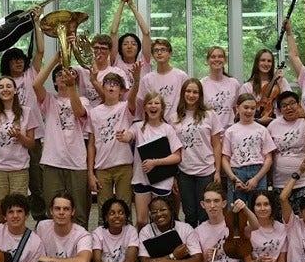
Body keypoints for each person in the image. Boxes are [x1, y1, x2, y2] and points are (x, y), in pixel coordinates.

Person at [0, 17, 47, 221]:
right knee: (8, 192)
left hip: (33, 137)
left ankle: (40, 219)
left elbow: (40, 51)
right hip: (5, 151)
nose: (19, 62)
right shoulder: (0, 83)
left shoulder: (31, 75)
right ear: (7, 63)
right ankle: (5, 223)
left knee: (37, 184)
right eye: (14, 60)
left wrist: (36, 23)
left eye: (21, 59)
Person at [33, 55, 90, 227]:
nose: (64, 77)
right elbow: (36, 85)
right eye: (59, 75)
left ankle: (81, 241)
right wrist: (54, 60)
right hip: (53, 161)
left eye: (68, 74)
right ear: (55, 82)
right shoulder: (49, 100)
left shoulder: (84, 100)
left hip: (76, 162)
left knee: (79, 210)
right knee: (53, 208)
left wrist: (72, 87)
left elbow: (79, 112)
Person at [119, 92, 183, 227]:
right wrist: (123, 137)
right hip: (141, 178)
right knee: (141, 221)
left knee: (160, 220)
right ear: (144, 107)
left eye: (156, 103)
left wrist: (155, 162)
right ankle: (142, 241)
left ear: (162, 108)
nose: (153, 106)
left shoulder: (168, 129)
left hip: (162, 180)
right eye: (149, 103)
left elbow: (177, 156)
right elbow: (128, 136)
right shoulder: (137, 127)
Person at [0, 75, 38, 221]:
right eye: (1, 87)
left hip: (19, 168)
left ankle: (18, 236)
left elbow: (31, 144)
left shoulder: (26, 111)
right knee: (1, 214)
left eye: (9, 86)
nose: (5, 89)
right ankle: (1, 236)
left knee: (18, 213)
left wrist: (19, 136)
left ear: (15, 90)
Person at [173, 78, 223, 226]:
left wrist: (218, 171)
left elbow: (217, 145)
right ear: (183, 93)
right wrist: (173, 175)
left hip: (206, 170)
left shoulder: (210, 115)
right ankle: (192, 240)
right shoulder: (174, 117)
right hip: (184, 171)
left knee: (205, 213)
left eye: (195, 92)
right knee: (189, 213)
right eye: (188, 91)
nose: (191, 95)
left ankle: (206, 240)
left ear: (200, 95)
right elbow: (173, 149)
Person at [267, 91, 305, 214]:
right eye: (284, 105)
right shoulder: (273, 125)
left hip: (303, 182)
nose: (289, 107)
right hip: (279, 182)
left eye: (292, 103)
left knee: (302, 219)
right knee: (282, 219)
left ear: (298, 105)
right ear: (279, 109)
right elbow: (269, 153)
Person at [87, 72, 135, 212]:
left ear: (121, 91)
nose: (111, 86)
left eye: (116, 84)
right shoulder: (94, 112)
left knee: (125, 208)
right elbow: (91, 145)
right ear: (103, 88)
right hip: (102, 167)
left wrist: (137, 80)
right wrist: (91, 173)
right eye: (108, 83)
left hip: (123, 165)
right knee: (104, 210)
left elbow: (133, 97)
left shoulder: (125, 107)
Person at [222, 94, 277, 208]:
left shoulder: (262, 130)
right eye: (246, 107)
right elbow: (225, 158)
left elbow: (268, 158)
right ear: (238, 108)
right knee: (236, 210)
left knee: (259, 208)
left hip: (258, 173)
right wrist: (234, 178)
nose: (249, 111)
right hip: (237, 173)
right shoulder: (230, 131)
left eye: (252, 108)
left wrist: (256, 179)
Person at [110, 0, 153, 91]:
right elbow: (113, 32)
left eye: (133, 44)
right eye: (125, 44)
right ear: (120, 47)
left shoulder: (143, 62)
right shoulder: (116, 61)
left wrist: (132, 5)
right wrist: (122, 3)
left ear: (138, 47)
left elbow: (146, 33)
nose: (129, 46)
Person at [136, 37, 188, 115]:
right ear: (152, 55)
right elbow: (143, 105)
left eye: (163, 50)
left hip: (178, 120)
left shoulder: (181, 76)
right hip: (155, 121)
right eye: (156, 50)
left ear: (170, 53)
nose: (159, 53)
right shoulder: (147, 79)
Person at [239, 48, 291, 125]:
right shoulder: (247, 86)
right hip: (254, 125)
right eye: (263, 60)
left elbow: (289, 103)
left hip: (279, 124)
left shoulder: (282, 81)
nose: (266, 64)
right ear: (257, 63)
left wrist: (280, 85)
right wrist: (258, 120)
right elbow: (241, 113)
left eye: (269, 61)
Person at [77, 33, 128, 105]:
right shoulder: (81, 69)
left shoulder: (118, 73)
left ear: (110, 51)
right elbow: (64, 72)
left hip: (107, 111)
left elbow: (111, 101)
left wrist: (94, 81)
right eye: (96, 48)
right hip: (84, 110)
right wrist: (69, 45)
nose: (99, 51)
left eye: (103, 48)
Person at [200, 46, 240, 127]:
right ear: (207, 61)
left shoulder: (234, 83)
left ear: (225, 60)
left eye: (220, 56)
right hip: (210, 130)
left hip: (229, 130)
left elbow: (236, 108)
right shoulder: (201, 84)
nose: (217, 59)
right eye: (213, 57)